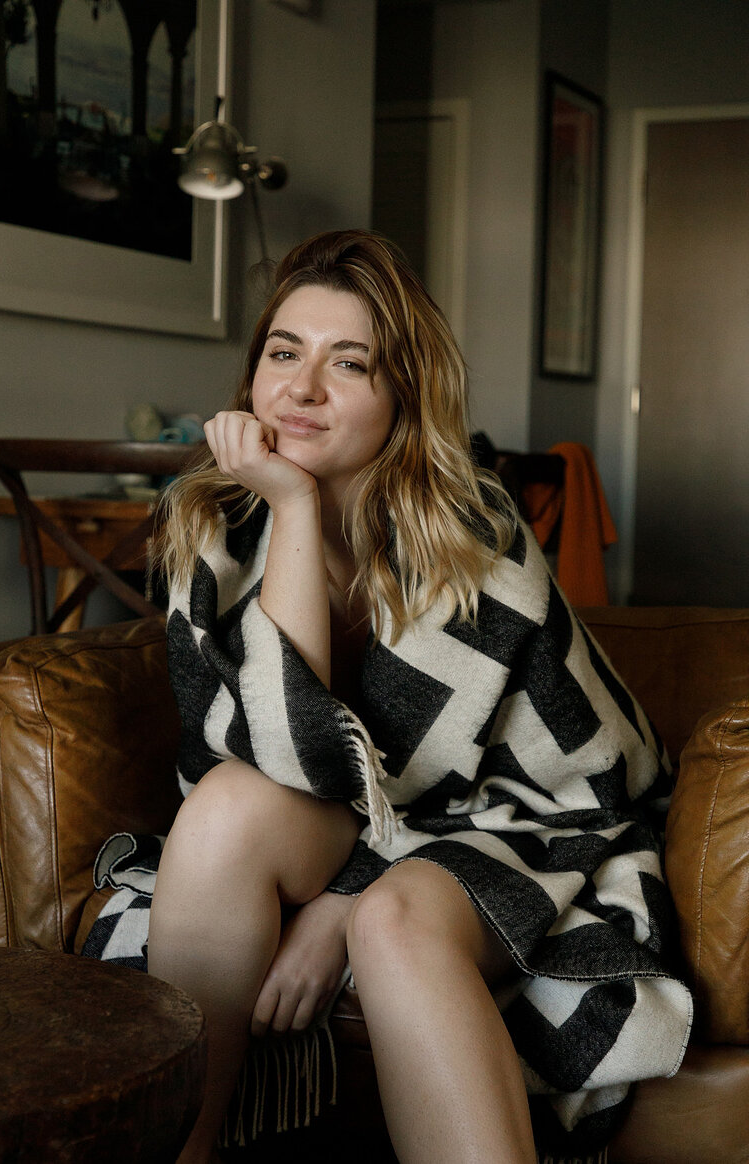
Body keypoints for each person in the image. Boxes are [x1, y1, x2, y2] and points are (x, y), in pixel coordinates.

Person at [86, 230, 691, 1164]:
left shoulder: (473, 532)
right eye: (283, 353)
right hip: (344, 815)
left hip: (532, 820)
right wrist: (291, 504)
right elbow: (278, 758)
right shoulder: (212, 525)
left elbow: (575, 787)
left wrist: (342, 904)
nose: (302, 389)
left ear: (404, 394)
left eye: (349, 363)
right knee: (224, 810)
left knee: (393, 922)